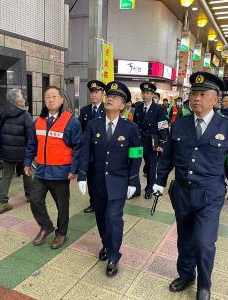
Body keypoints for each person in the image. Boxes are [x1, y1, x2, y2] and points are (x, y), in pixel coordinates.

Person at [153, 72, 228, 300]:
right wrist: (159, 180)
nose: (196, 99)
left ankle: (204, 284)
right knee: (184, 239)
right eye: (194, 93)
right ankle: (186, 276)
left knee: (204, 243)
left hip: (210, 194)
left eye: (203, 94)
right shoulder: (180, 125)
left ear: (215, 99)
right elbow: (168, 158)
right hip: (182, 192)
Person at [77, 81, 142, 277]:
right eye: (109, 95)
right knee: (101, 218)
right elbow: (85, 151)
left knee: (113, 219)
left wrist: (133, 181)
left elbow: (136, 155)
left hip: (118, 182)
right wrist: (82, 175)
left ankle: (114, 255)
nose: (110, 98)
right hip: (97, 182)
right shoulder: (93, 124)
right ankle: (107, 244)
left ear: (123, 105)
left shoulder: (130, 128)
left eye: (116, 97)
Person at [24, 86, 82, 249]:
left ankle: (61, 233)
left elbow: (78, 147)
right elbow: (32, 144)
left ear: (61, 100)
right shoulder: (39, 121)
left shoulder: (71, 121)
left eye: (54, 96)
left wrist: (74, 169)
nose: (50, 99)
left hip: (61, 172)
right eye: (47, 97)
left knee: (62, 206)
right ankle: (46, 226)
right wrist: (27, 162)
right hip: (41, 171)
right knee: (35, 199)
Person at [0, 89, 34, 214]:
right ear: (17, 100)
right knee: (27, 172)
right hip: (23, 152)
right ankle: (30, 196)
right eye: (22, 97)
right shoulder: (25, 115)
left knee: (6, 176)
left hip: (7, 152)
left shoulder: (3, 113)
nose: (23, 99)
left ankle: (2, 203)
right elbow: (31, 137)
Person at [133, 82, 168, 199]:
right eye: (143, 92)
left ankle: (149, 188)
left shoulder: (159, 109)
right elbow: (134, 126)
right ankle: (135, 188)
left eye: (147, 93)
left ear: (152, 94)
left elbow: (163, 127)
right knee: (135, 164)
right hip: (138, 142)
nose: (145, 95)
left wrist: (162, 143)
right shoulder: (137, 108)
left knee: (151, 167)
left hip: (152, 142)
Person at [79, 80, 106, 213]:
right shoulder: (85, 110)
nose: (94, 94)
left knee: (101, 178)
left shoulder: (107, 109)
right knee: (90, 179)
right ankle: (93, 203)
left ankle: (103, 202)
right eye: (92, 92)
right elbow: (81, 131)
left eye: (97, 92)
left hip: (103, 150)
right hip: (89, 151)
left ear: (102, 94)